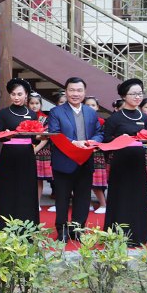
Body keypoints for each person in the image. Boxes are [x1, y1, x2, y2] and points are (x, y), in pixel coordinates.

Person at [48, 77, 103, 241]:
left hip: (85, 161)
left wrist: (93, 141)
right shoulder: (56, 112)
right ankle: (62, 230)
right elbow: (54, 134)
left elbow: (99, 133)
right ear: (66, 91)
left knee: (83, 198)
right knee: (62, 198)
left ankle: (78, 229)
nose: (75, 94)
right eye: (71, 90)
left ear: (84, 92)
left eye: (79, 90)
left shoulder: (91, 112)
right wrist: (74, 142)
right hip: (63, 162)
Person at [103, 78, 147, 246]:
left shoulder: (144, 117)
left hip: (138, 162)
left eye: (140, 93)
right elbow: (106, 140)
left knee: (138, 197)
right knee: (121, 198)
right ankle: (118, 236)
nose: (137, 97)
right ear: (123, 96)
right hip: (121, 163)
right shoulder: (115, 118)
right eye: (133, 94)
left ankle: (138, 236)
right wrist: (119, 139)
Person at [0, 78, 39, 229]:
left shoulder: (32, 114)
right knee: (7, 190)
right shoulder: (3, 114)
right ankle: (3, 226)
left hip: (27, 156)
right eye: (13, 94)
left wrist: (42, 136)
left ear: (26, 95)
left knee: (26, 190)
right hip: (9, 156)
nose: (16, 97)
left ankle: (27, 226)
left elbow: (34, 138)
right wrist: (6, 135)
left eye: (20, 94)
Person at [28, 92, 53, 207]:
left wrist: (35, 149)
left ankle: (36, 204)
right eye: (31, 103)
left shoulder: (45, 119)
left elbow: (45, 137)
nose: (34, 106)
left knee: (38, 180)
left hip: (41, 151)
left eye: (37, 103)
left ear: (41, 105)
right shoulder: (25, 117)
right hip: (26, 148)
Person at [83, 96, 107, 214]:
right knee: (83, 180)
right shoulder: (80, 119)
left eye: (93, 105)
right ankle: (88, 203)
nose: (90, 107)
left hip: (96, 153)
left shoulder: (101, 121)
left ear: (97, 107)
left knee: (96, 182)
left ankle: (103, 204)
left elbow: (103, 137)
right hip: (82, 151)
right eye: (87, 105)